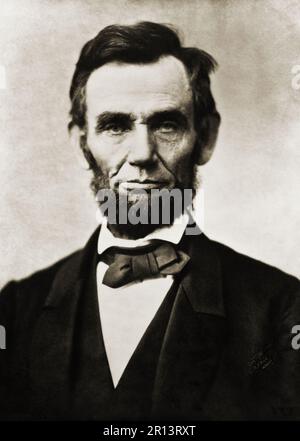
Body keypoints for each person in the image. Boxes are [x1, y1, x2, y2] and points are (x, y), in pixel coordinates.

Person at [0, 21, 300, 421]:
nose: (142, 153)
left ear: (205, 138)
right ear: (81, 143)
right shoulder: (17, 309)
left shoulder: (281, 308)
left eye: (166, 124)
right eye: (115, 126)